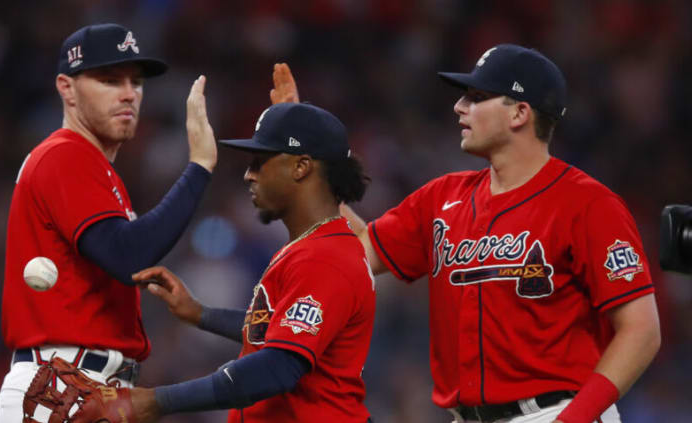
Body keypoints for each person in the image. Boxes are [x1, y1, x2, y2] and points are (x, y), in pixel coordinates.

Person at [283, 45, 660, 422]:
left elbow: (641, 330)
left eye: (477, 97)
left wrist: (574, 418)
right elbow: (352, 253)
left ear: (519, 112)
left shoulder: (587, 204)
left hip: (555, 411)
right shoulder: (442, 197)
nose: (459, 107)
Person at [0, 23, 217, 421]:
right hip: (60, 386)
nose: (129, 93)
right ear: (67, 88)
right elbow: (127, 254)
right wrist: (199, 166)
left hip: (87, 384)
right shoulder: (65, 155)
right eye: (110, 80)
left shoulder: (95, 168)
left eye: (136, 82)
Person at [112, 100, 375, 423]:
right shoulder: (314, 247)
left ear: (301, 167)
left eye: (261, 161)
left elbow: (277, 367)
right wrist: (200, 313)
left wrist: (158, 400)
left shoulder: (326, 259)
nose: (249, 174)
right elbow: (277, 332)